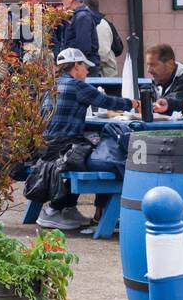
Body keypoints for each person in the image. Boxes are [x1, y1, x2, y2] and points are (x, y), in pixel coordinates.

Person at [34, 48, 135, 230]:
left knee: (86, 148)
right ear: (76, 65)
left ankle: (68, 209)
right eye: (85, 66)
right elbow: (106, 101)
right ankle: (54, 210)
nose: (87, 71)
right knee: (94, 158)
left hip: (44, 146)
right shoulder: (77, 86)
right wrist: (132, 104)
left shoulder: (50, 85)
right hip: (62, 146)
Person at [52, 0, 101, 74]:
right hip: (79, 68)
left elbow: (83, 47)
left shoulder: (82, 17)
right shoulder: (78, 16)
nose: (61, 1)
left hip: (83, 70)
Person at [146, 43, 183, 115]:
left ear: (170, 63)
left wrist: (167, 102)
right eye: (147, 65)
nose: (148, 70)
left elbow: (179, 97)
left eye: (153, 65)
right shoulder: (157, 82)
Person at [85, 0, 118, 76]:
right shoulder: (90, 22)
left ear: (87, 7)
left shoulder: (100, 25)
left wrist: (86, 65)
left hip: (104, 74)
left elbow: (103, 54)